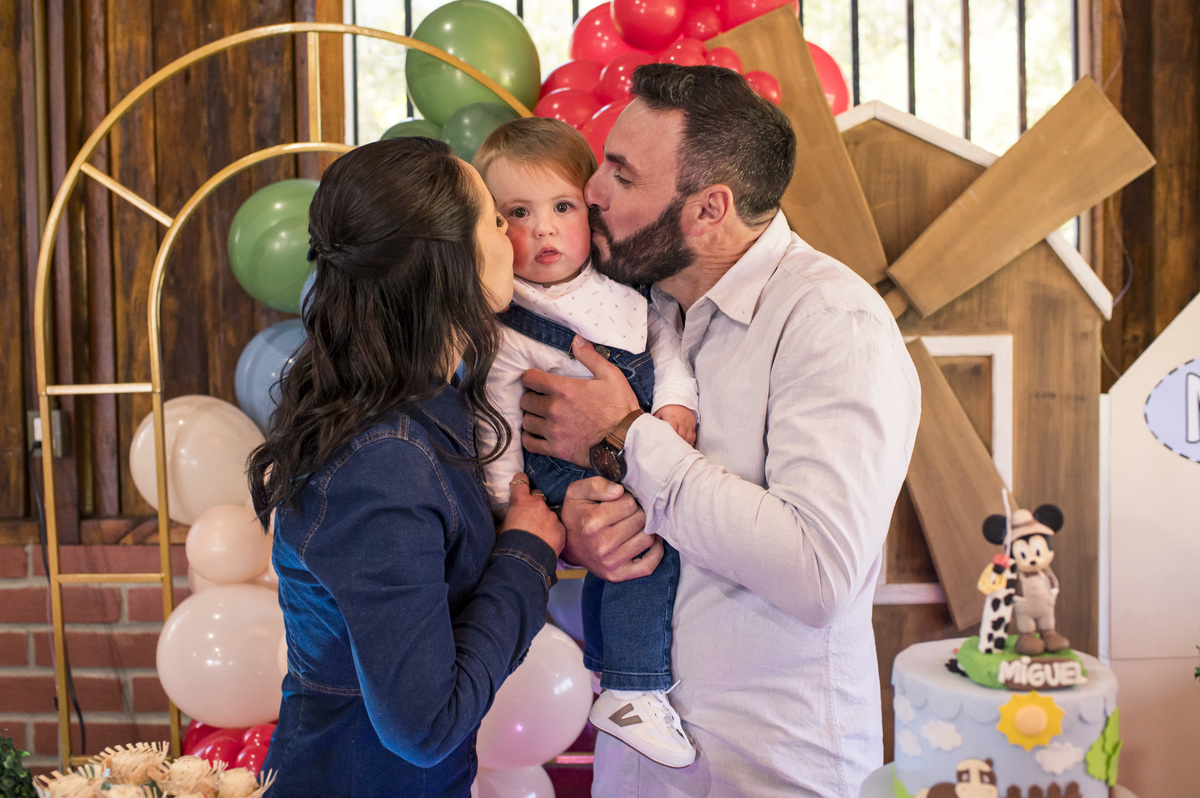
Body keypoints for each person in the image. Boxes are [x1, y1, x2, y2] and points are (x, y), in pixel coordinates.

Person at [517, 64, 922, 797]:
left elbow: (819, 574)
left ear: (710, 210)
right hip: (635, 772)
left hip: (772, 772)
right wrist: (583, 530)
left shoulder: (833, 322)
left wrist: (626, 436)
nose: (592, 192)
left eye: (622, 175)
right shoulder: (630, 311)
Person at [247, 136, 565, 797]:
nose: (513, 235)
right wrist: (527, 556)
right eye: (494, 220)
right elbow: (423, 728)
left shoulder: (427, 405)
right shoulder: (383, 461)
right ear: (448, 262)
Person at [472, 116, 699, 769]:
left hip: (631, 444)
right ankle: (632, 688)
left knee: (636, 533)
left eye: (562, 207)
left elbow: (666, 344)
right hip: (551, 466)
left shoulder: (623, 288)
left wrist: (677, 402)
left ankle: (609, 664)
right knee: (637, 539)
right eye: (518, 213)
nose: (543, 229)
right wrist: (508, 498)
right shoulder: (506, 319)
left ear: (590, 210)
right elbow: (495, 418)